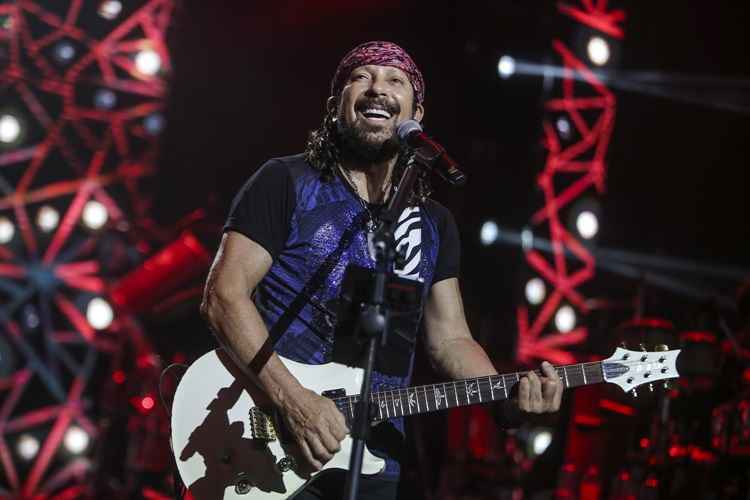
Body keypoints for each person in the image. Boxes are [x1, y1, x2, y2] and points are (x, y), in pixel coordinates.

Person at [200, 41, 563, 499]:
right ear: (335, 106)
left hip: (373, 460)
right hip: (269, 440)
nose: (378, 89)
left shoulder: (433, 225)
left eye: (395, 80)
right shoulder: (285, 181)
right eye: (361, 77)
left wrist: (504, 399)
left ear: (416, 114)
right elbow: (223, 296)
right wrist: (293, 401)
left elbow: (450, 340)